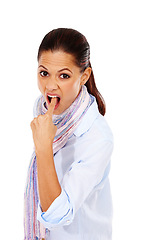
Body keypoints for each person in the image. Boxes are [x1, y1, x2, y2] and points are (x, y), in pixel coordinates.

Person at [24, 28, 114, 240]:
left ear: (84, 76)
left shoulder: (98, 137)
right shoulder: (43, 111)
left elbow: (57, 214)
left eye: (64, 76)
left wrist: (43, 148)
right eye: (44, 73)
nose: (50, 86)